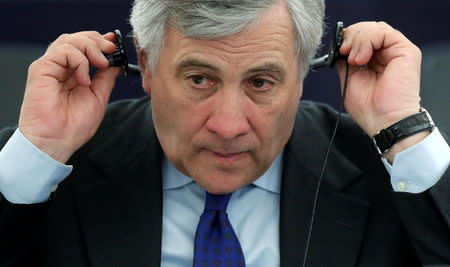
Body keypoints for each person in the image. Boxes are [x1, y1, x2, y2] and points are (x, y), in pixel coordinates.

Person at [0, 0, 449, 266]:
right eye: (199, 79)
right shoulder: (60, 168)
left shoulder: (386, 173)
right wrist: (40, 153)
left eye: (260, 82)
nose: (229, 125)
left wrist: (404, 132)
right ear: (148, 64)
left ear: (303, 73)